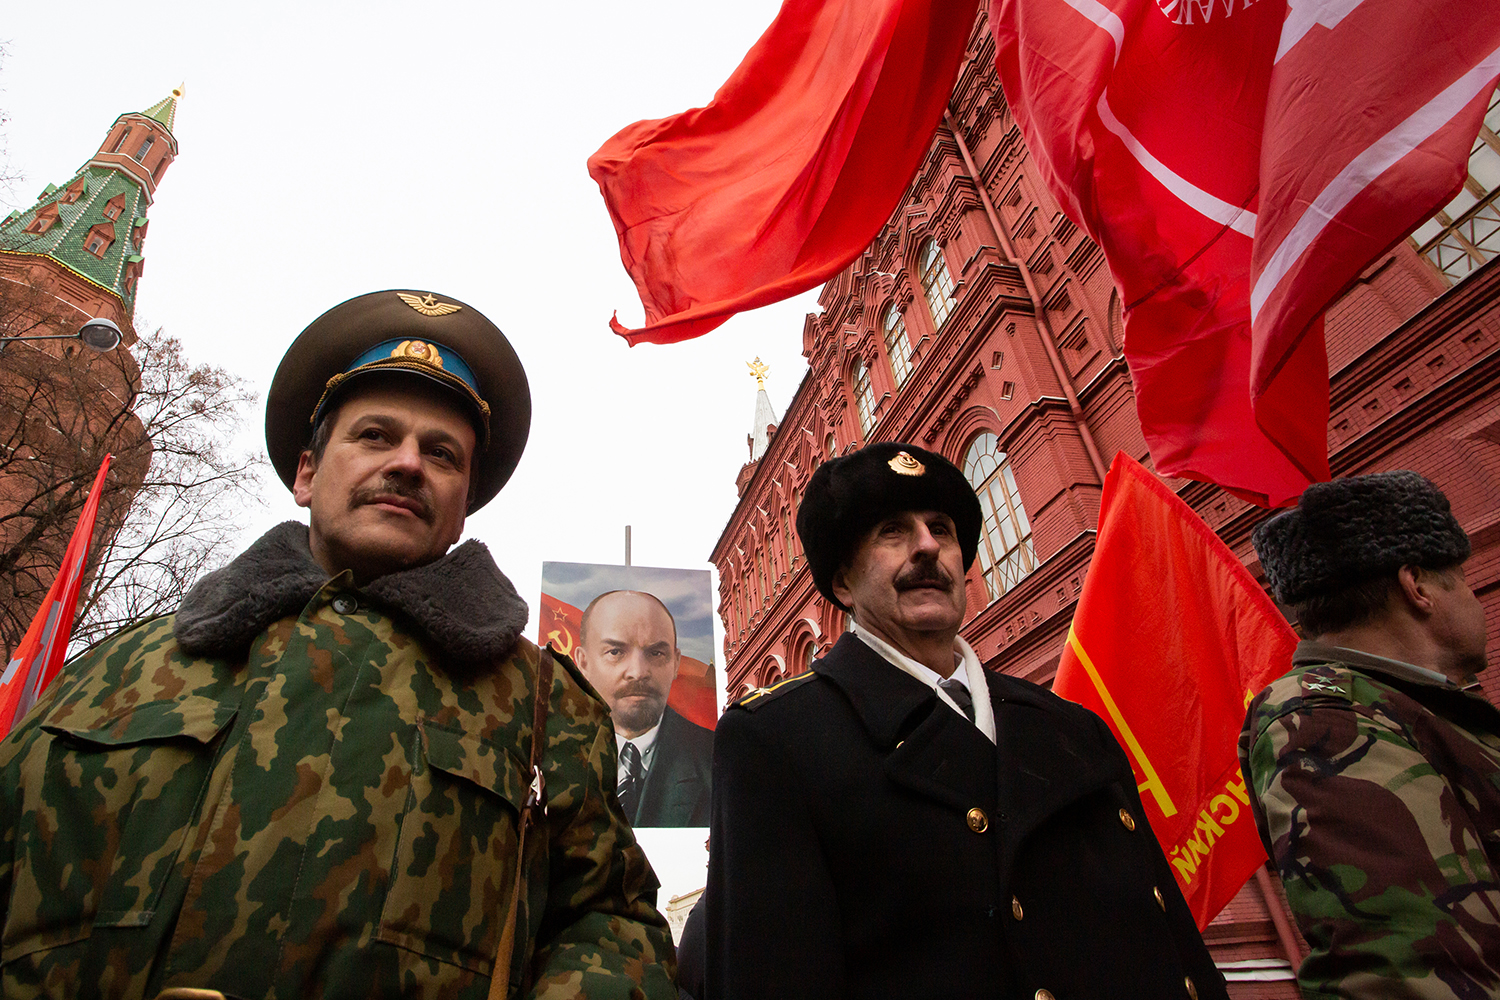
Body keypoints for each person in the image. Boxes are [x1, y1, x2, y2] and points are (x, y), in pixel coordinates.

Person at [0, 289, 677, 999]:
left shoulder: (543, 707)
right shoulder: (124, 668)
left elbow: (612, 925)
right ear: (306, 473)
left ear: (461, 505)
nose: (409, 463)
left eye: (441, 453)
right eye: (376, 436)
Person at [705, 441, 1226, 1000]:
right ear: (843, 585)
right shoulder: (777, 741)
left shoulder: (1072, 728)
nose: (928, 546)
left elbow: (1172, 945)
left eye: (942, 530)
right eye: (892, 532)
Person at [1240, 470, 1500, 998]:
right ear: (1418, 586)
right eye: (1464, 578)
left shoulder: (1414, 705)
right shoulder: (1324, 719)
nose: (1475, 600)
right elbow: (1412, 970)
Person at [574, 590, 713, 827]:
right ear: (583, 663)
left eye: (656, 653)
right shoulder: (546, 758)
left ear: (676, 663)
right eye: (615, 652)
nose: (638, 672)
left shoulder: (715, 762)